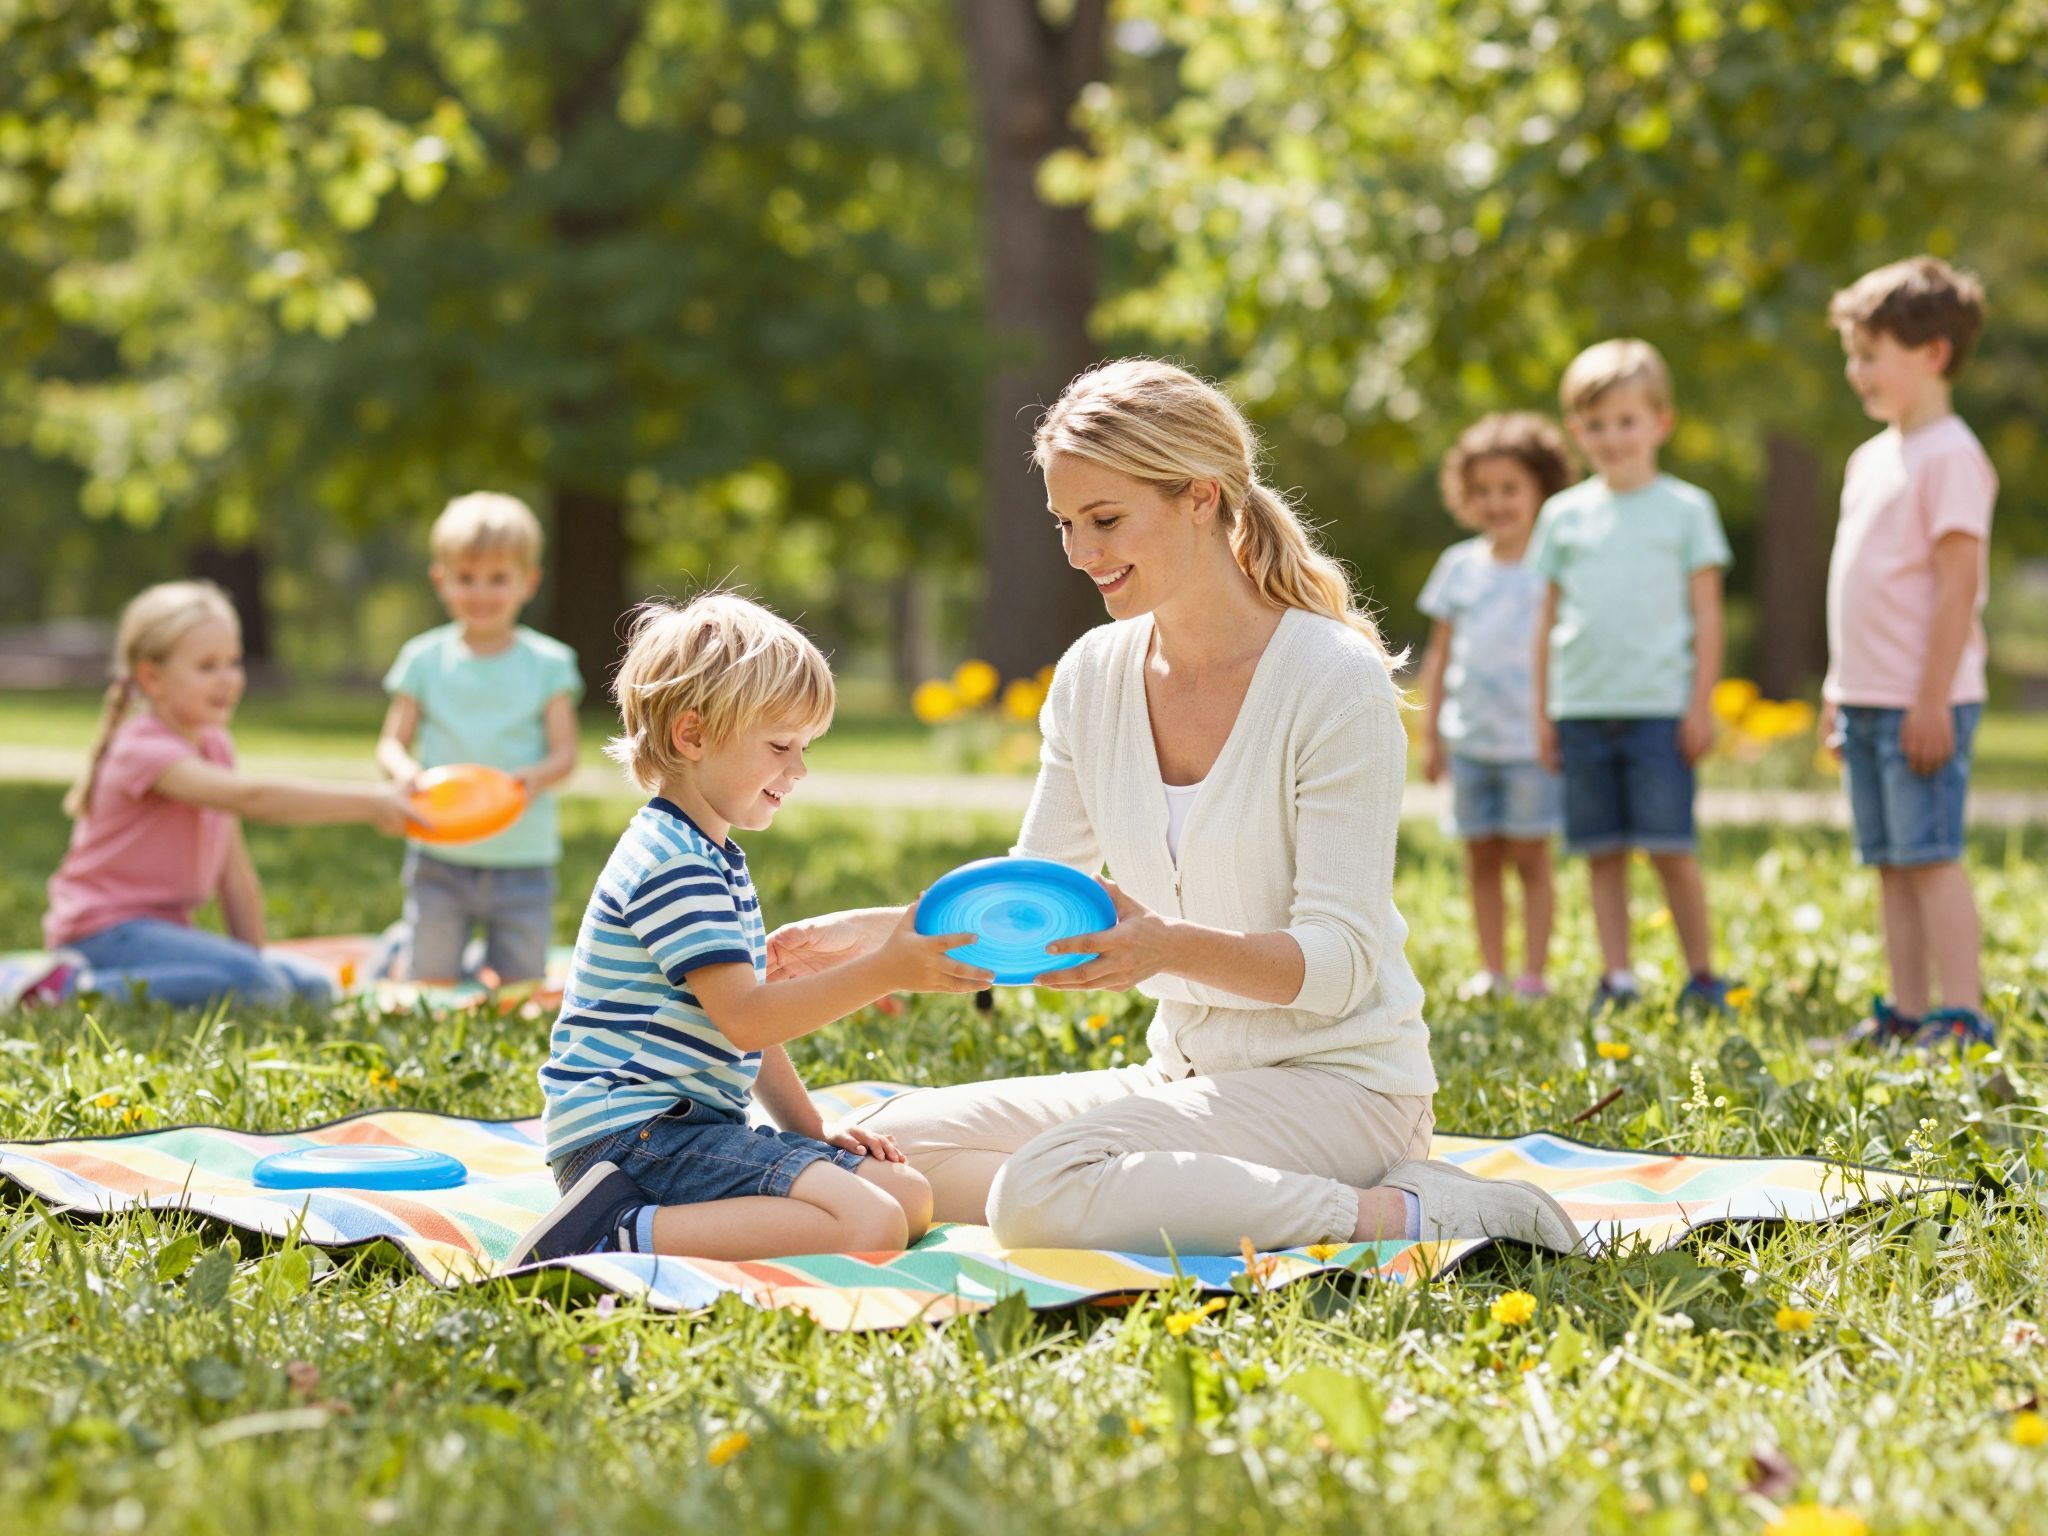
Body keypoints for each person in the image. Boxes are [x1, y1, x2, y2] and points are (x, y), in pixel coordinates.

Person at [767, 359, 1582, 1258]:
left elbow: (1341, 963)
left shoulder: (1331, 680)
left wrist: (1165, 948)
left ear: (1201, 496)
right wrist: (876, 936)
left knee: (1040, 1194)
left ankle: (1414, 1214)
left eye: (1106, 520)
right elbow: (1044, 895)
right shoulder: (1091, 676)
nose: (1080, 554)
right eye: (1065, 524)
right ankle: (1176, 1195)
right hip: (1188, 1076)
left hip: (1344, 1087)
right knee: (881, 1152)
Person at [508, 594, 991, 1264]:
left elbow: (744, 1034)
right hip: (629, 1142)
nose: (798, 770)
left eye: (804, 748)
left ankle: (650, 1223)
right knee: (872, 1228)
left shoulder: (711, 854)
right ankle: (608, 1232)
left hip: (683, 1130)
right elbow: (747, 1019)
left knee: (906, 1196)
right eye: (780, 746)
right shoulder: (672, 863)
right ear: (694, 735)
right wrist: (884, 968)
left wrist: (811, 1129)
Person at [28, 581, 414, 1010]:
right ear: (152, 678)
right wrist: (369, 803)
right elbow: (255, 799)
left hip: (160, 930)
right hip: (102, 933)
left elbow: (235, 873)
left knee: (310, 988)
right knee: (258, 987)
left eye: (233, 662)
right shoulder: (143, 750)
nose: (228, 679)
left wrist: (256, 957)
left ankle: (244, 982)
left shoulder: (213, 745)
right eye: (207, 666)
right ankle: (60, 991)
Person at [1529, 339, 1738, 1016]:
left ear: (1660, 422)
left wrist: (1700, 704)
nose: (1613, 437)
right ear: (1577, 432)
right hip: (1582, 708)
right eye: (1597, 424)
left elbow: (1707, 615)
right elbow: (1546, 621)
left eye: (1627, 420)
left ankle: (1702, 974)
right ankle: (1618, 977)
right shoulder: (1563, 516)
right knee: (1602, 852)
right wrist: (1543, 711)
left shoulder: (1686, 510)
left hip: (1659, 710)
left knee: (1671, 848)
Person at [1820, 256, 1997, 1050]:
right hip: (1866, 695)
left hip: (1924, 699)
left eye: (1871, 353)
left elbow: (1957, 589)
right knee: (1890, 861)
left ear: (1931, 353)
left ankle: (1960, 1011)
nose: (1856, 371)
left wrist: (1931, 698)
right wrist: (1836, 686)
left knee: (1931, 857)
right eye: (1852, 354)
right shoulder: (1870, 456)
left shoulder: (1951, 455)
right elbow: (1852, 588)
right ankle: (1906, 1008)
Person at [377, 493, 582, 984]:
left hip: (522, 857)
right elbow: (390, 743)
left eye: (498, 579)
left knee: (520, 983)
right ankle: (405, 947)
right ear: (441, 580)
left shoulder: (548, 664)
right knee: (429, 979)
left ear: (527, 583)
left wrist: (538, 775)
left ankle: (462, 954)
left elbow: (566, 754)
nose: (481, 592)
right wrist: (407, 773)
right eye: (466, 578)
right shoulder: (424, 659)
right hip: (440, 851)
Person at [1417, 413, 1574, 1001]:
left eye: (1510, 489)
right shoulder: (1459, 567)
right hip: (1470, 738)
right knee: (1480, 856)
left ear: (1541, 490)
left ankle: (1533, 973)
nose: (1496, 502)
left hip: (1531, 742)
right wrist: (1432, 735)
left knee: (1531, 858)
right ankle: (1493, 967)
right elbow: (1439, 657)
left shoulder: (1553, 567)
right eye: (1481, 491)